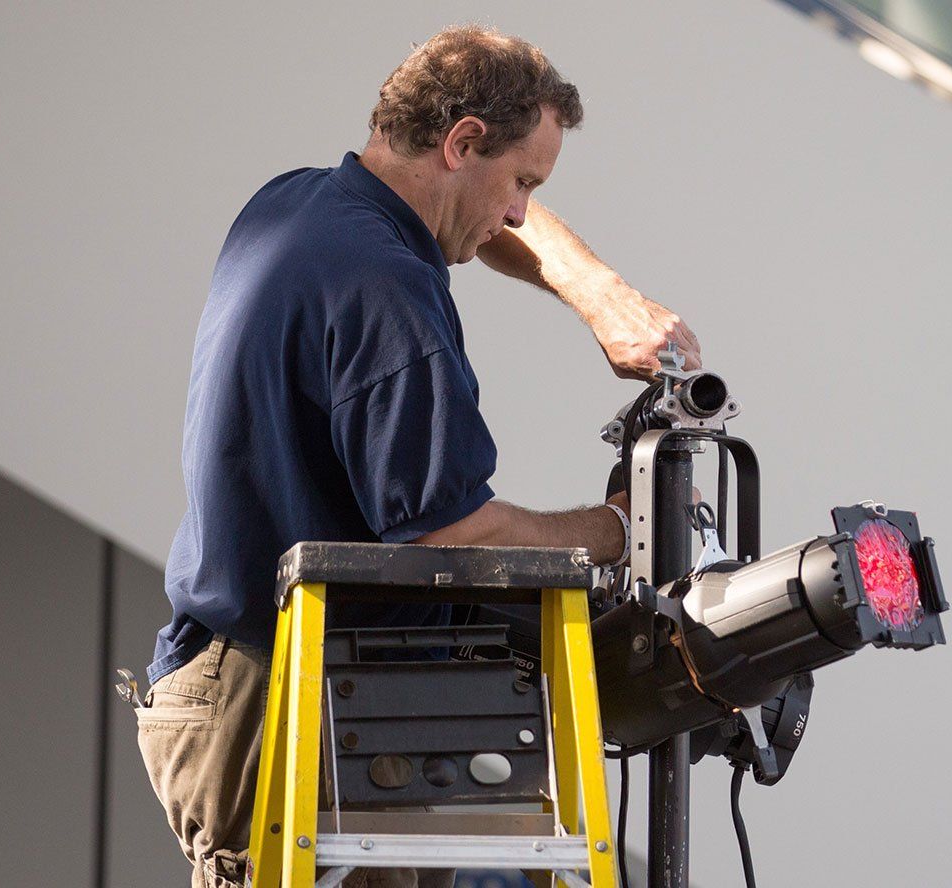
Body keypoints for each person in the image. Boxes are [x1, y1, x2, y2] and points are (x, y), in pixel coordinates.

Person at [136, 24, 701, 888]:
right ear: (461, 140)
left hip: (245, 680)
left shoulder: (300, 204)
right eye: (520, 182)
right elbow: (450, 538)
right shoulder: (386, 288)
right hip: (278, 707)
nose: (519, 212)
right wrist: (620, 528)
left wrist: (598, 293)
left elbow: (493, 220)